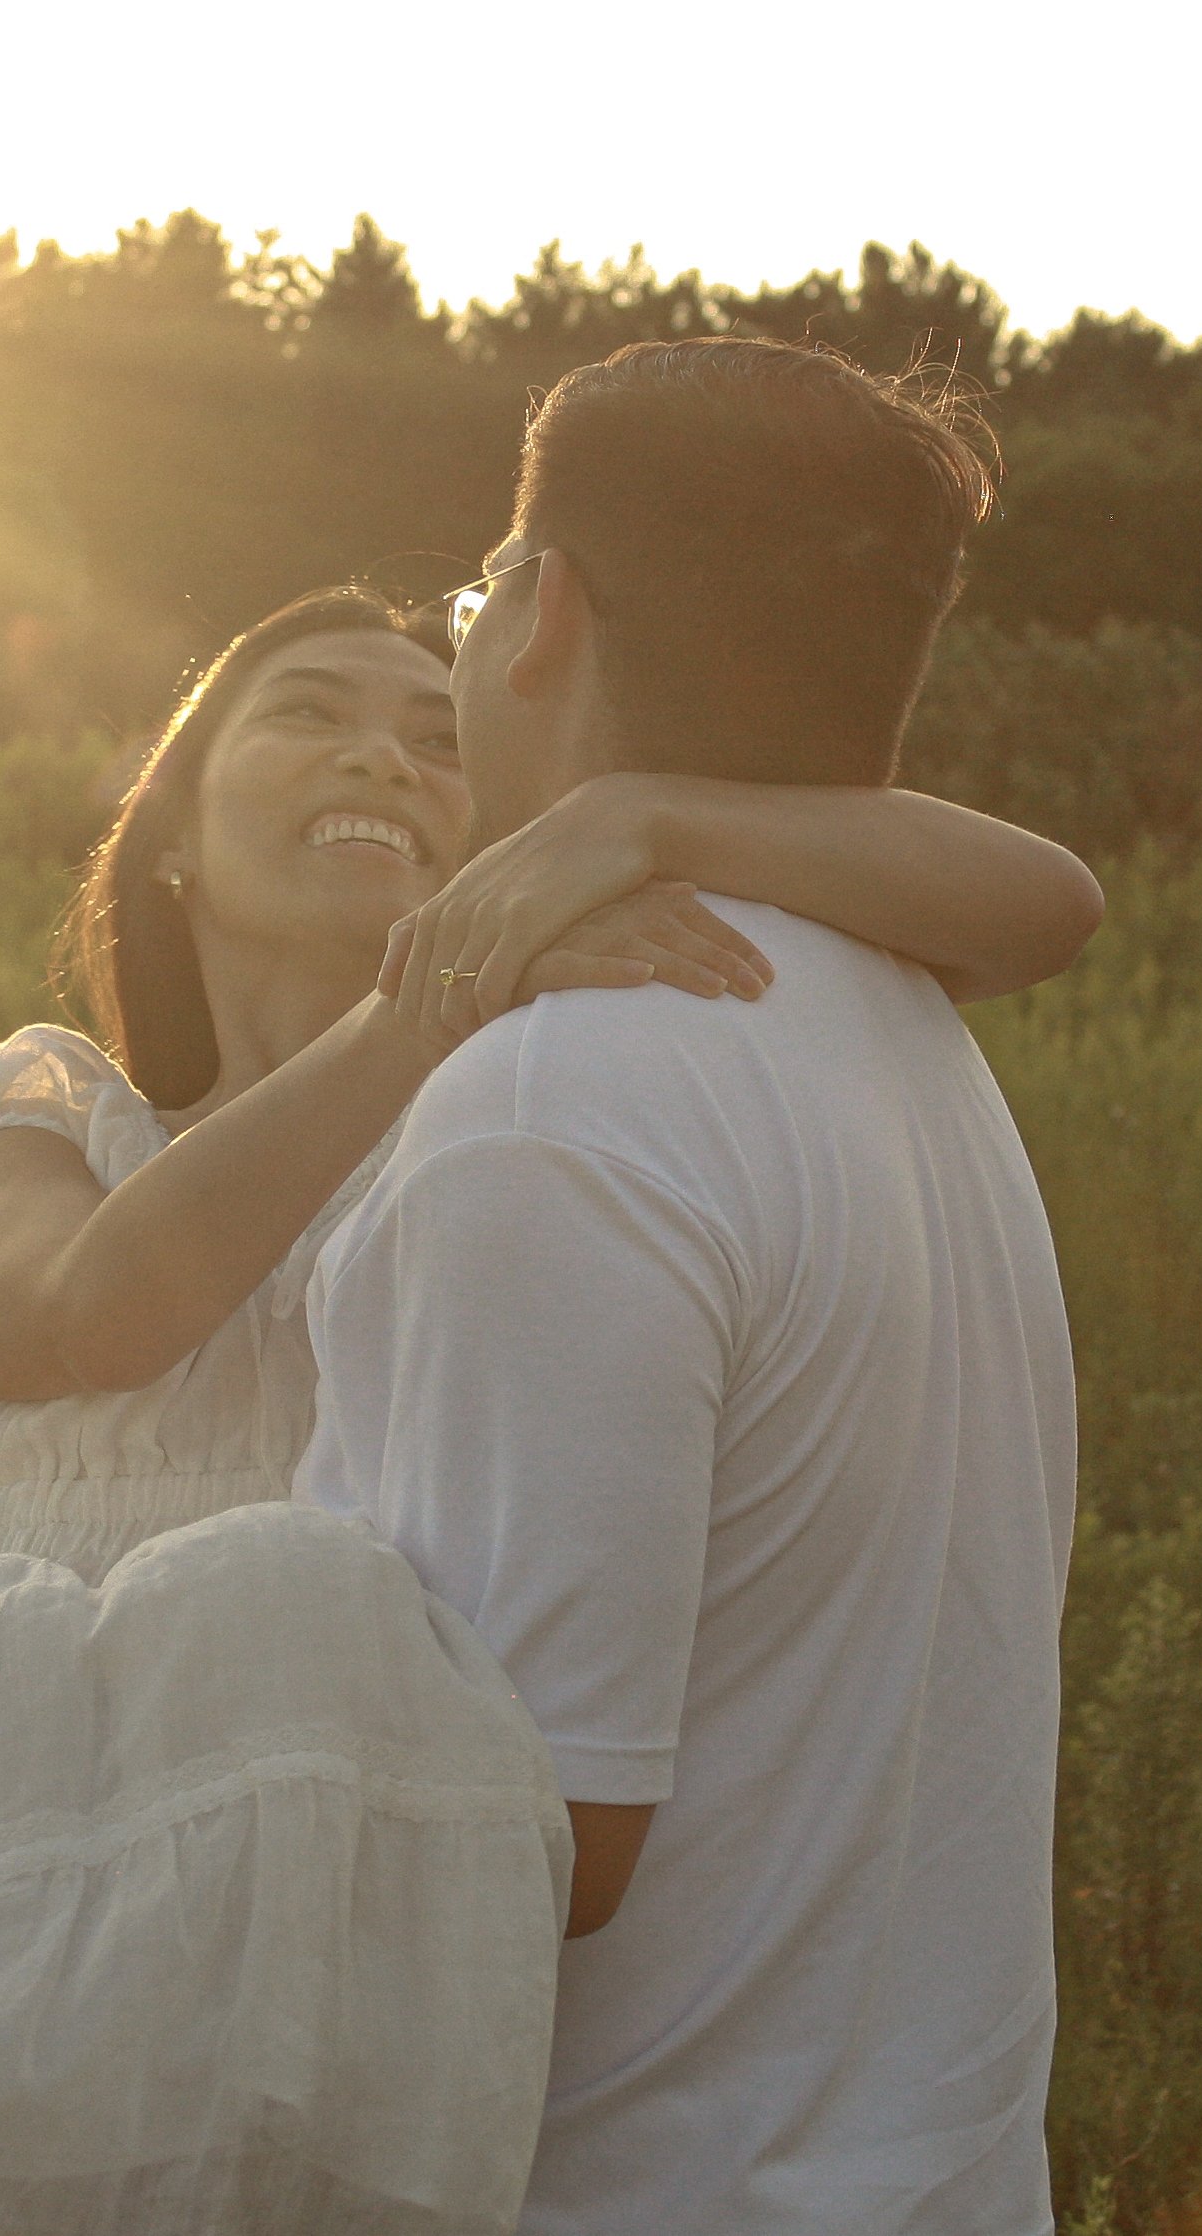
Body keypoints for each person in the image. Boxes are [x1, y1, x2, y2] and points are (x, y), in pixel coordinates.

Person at [0, 376, 1094, 2232]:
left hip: (320, 1921)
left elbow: (1046, 892)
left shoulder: (510, 1118)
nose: (385, 754)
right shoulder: (58, 1098)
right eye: (303, 713)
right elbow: (91, 1304)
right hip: (65, 1909)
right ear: (175, 821)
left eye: (428, 725)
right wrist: (435, 997)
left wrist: (644, 820)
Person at [296, 337, 1079, 2233]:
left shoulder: (554, 1109)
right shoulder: (903, 1033)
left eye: (483, 579)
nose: (472, 627)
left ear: (545, 613)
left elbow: (522, 1843)